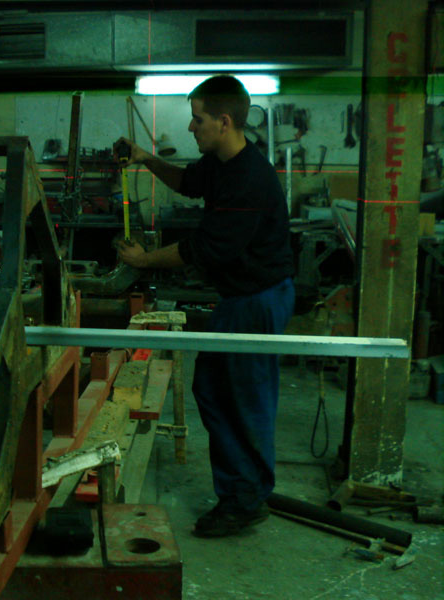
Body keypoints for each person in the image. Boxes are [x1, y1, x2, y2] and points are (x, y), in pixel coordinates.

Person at [115, 75, 294, 537]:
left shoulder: (249, 179)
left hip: (257, 300)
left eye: (198, 120)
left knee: (246, 399)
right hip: (240, 297)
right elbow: (188, 182)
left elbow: (204, 249)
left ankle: (245, 500)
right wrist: (145, 158)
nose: (191, 127)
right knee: (213, 389)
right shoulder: (219, 162)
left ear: (224, 121)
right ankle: (244, 487)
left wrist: (143, 260)